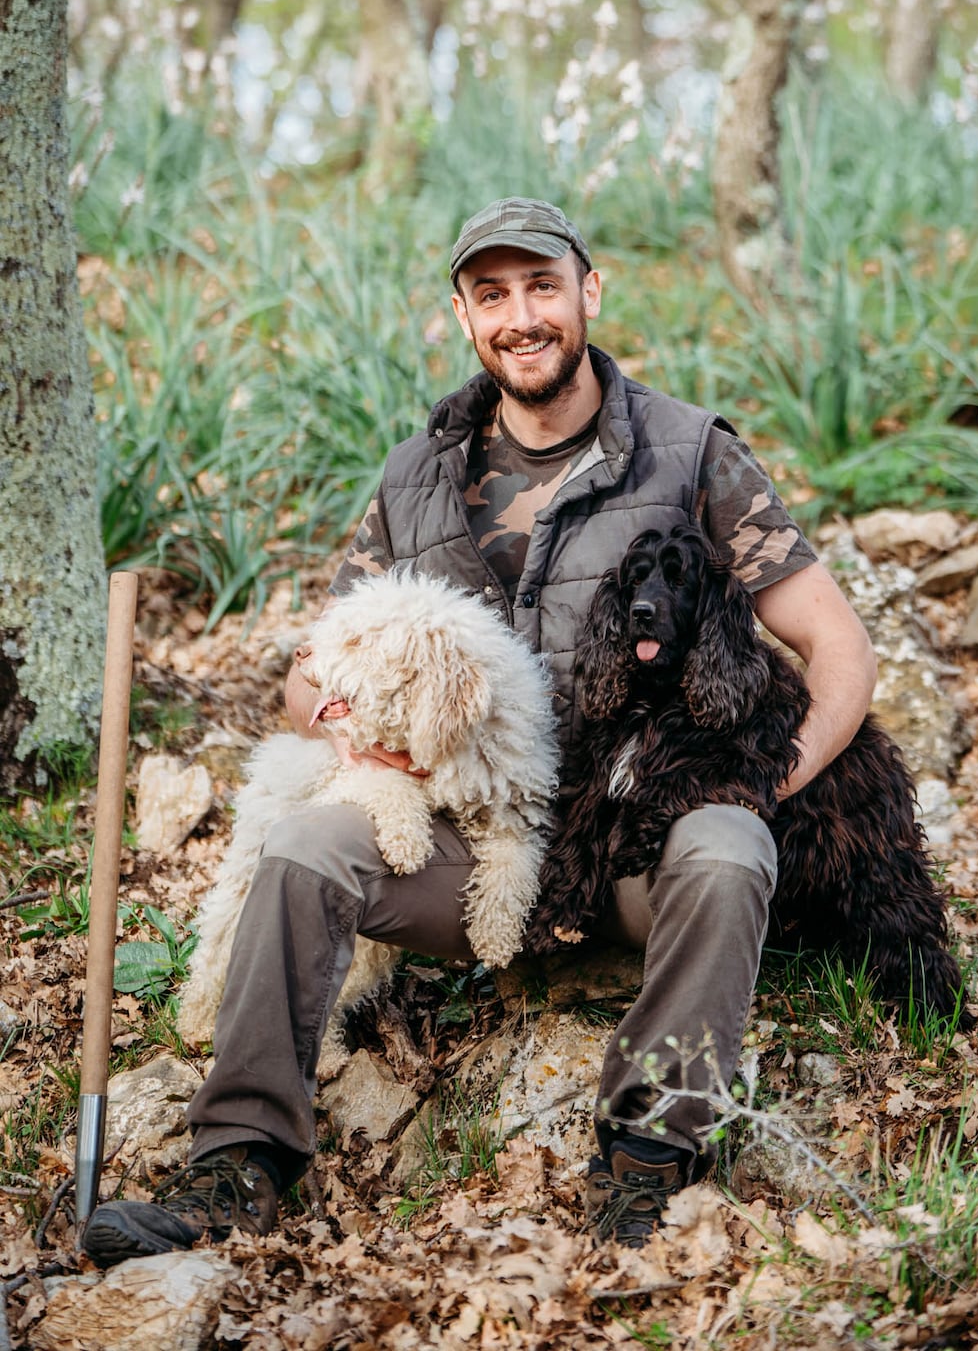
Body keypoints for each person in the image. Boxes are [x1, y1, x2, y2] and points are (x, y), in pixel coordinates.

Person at [82, 196, 876, 1263]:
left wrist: (760, 786)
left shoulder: (688, 455)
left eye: (542, 286)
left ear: (588, 293)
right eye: (491, 295)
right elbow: (309, 670)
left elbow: (841, 652)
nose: (521, 316)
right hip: (474, 849)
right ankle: (242, 1164)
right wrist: (334, 719)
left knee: (730, 850)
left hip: (639, 846)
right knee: (306, 842)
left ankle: (649, 1158)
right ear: (465, 316)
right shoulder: (416, 479)